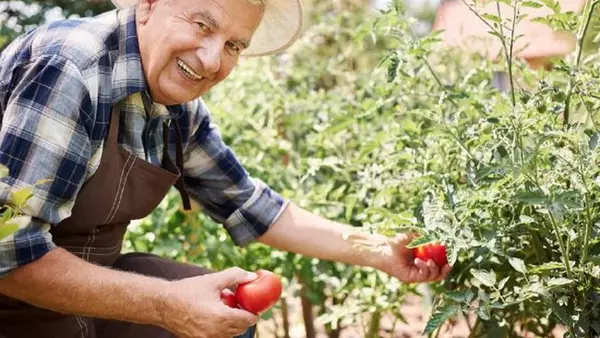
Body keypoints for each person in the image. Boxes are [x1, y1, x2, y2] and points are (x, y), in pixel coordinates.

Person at [0, 0, 452, 337]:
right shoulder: (72, 68)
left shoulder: (175, 105)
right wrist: (165, 305)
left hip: (87, 287)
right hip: (14, 303)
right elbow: (9, 255)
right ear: (150, 5)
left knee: (227, 324)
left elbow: (252, 205)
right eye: (202, 24)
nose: (212, 61)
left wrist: (378, 250)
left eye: (234, 44)